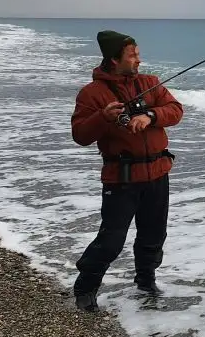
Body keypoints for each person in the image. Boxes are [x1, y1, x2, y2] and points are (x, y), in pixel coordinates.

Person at [70, 30, 184, 313]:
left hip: (158, 172)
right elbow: (80, 135)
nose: (138, 60)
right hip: (121, 178)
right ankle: (85, 288)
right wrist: (104, 117)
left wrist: (150, 116)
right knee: (111, 240)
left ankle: (146, 282)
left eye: (137, 54)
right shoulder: (91, 93)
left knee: (153, 236)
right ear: (113, 59)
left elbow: (175, 110)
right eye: (132, 56)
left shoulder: (151, 83)